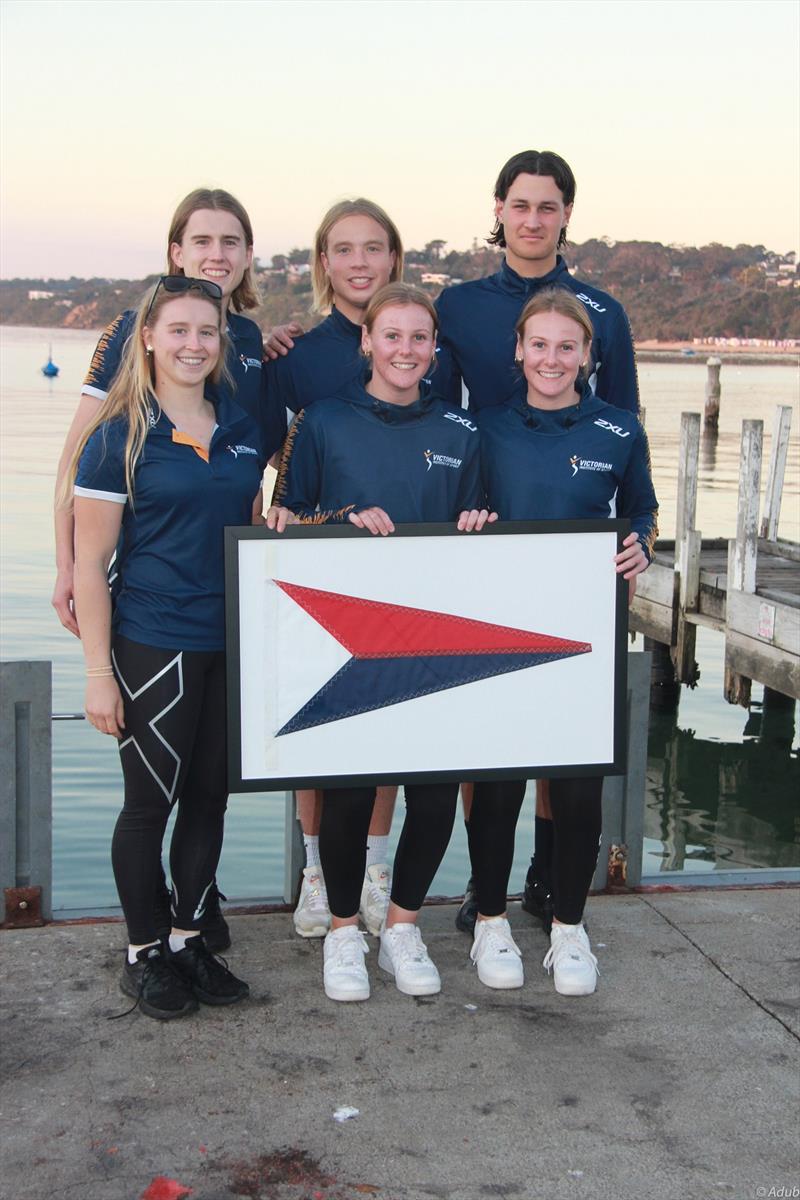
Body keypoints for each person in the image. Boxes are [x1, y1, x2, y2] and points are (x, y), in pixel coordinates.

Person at [52, 187, 286, 951]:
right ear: (148, 335)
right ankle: (146, 951)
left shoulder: (244, 428)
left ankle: (191, 937)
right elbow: (93, 560)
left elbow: (261, 516)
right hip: (154, 637)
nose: (194, 343)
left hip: (227, 638)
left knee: (211, 802)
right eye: (178, 330)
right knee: (148, 806)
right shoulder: (119, 433)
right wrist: (95, 668)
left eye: (206, 332)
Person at [435, 150, 640, 932]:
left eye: (547, 206)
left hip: (572, 552)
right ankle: (482, 883)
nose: (532, 219)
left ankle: (550, 877)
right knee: (487, 733)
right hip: (489, 531)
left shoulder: (604, 311)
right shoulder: (458, 304)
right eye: (519, 205)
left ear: (565, 215)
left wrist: (633, 537)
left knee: (568, 736)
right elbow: (422, 385)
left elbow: (620, 427)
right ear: (499, 209)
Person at [267, 283, 490, 1002]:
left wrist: (484, 529)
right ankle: (340, 932)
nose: (405, 350)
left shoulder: (462, 431)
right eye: (390, 336)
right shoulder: (324, 421)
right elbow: (286, 520)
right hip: (346, 637)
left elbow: (481, 531)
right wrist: (340, 517)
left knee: (430, 797)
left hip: (434, 639)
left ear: (435, 349)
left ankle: (399, 927)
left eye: (418, 338)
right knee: (347, 792)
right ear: (367, 341)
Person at [466, 285, 657, 996]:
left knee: (577, 792)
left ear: (588, 355)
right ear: (519, 350)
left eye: (566, 347)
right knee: (498, 788)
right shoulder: (483, 428)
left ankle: (569, 929)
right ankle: (490, 919)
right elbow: (463, 511)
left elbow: (642, 510)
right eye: (538, 344)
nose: (552, 358)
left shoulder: (619, 430)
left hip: (584, 637)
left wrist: (640, 543)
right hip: (498, 636)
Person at [264, 199, 404, 942]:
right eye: (343, 249)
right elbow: (260, 466)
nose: (359, 262)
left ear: (393, 259)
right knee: (314, 728)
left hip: (396, 566)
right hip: (314, 564)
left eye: (373, 248)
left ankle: (374, 869)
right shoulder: (297, 357)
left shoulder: (411, 337)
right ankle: (318, 872)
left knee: (385, 727)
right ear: (323, 262)